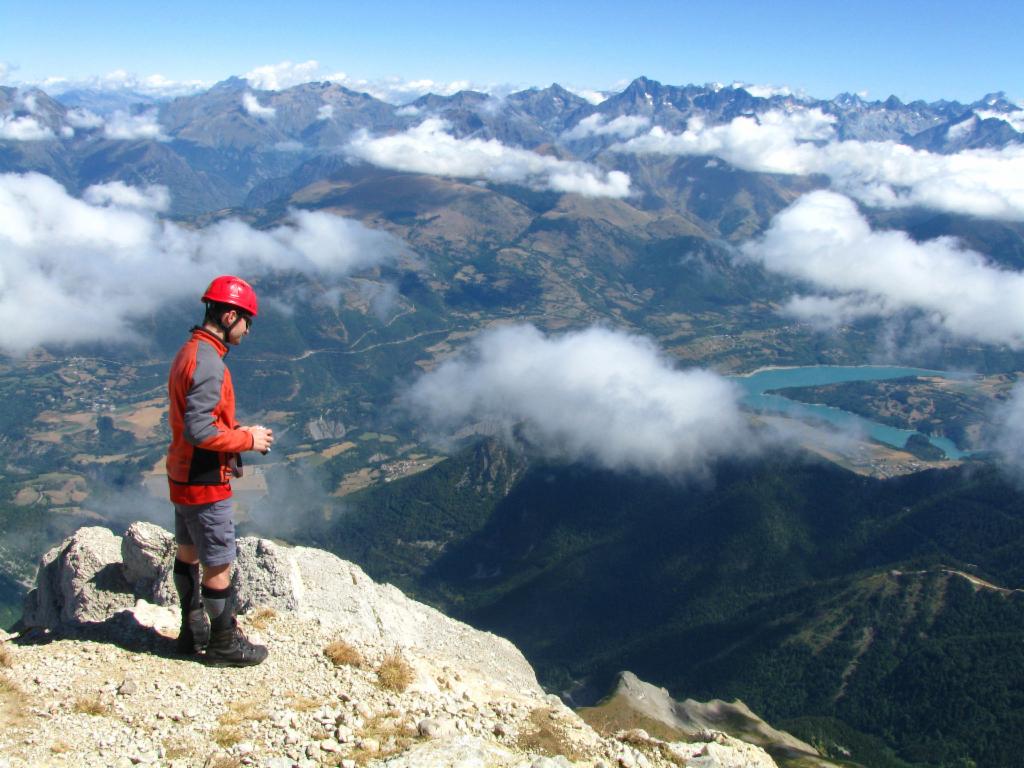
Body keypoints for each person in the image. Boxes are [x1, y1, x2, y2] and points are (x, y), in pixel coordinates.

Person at [166, 275, 274, 666]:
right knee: (218, 561)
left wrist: (235, 431)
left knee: (188, 551)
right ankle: (223, 644)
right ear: (230, 315)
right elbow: (200, 430)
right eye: (247, 320)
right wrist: (247, 439)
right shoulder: (210, 364)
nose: (248, 329)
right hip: (206, 478)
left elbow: (195, 422)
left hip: (181, 473)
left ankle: (190, 628)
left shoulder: (189, 351)